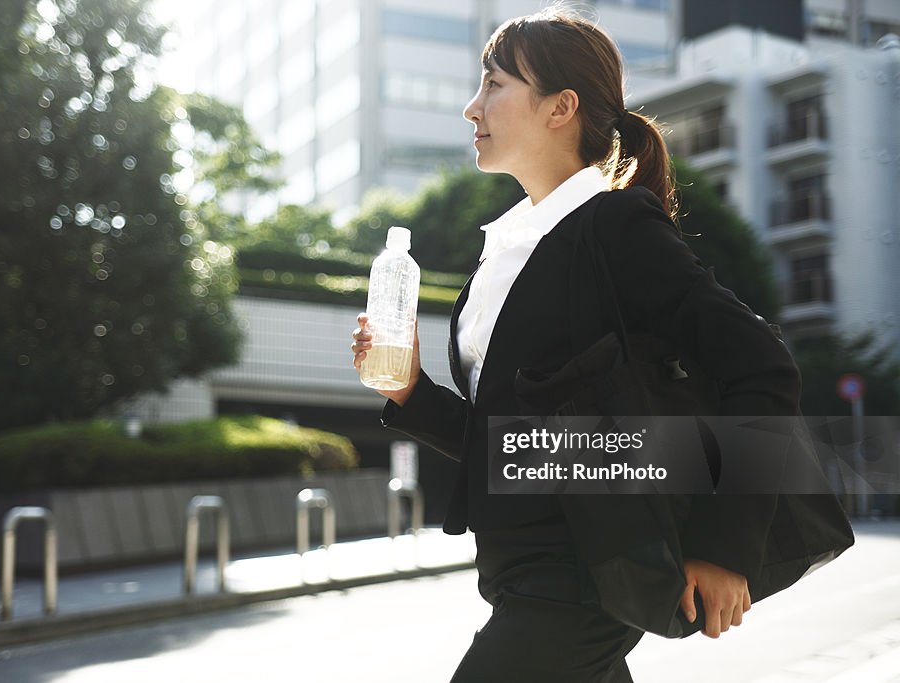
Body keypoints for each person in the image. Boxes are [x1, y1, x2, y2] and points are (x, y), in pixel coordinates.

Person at [350, 6, 836, 681]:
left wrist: (726, 547)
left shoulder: (615, 227)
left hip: (587, 573)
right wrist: (407, 389)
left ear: (560, 107)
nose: (471, 107)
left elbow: (763, 367)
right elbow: (520, 446)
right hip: (518, 573)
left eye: (493, 85)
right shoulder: (502, 254)